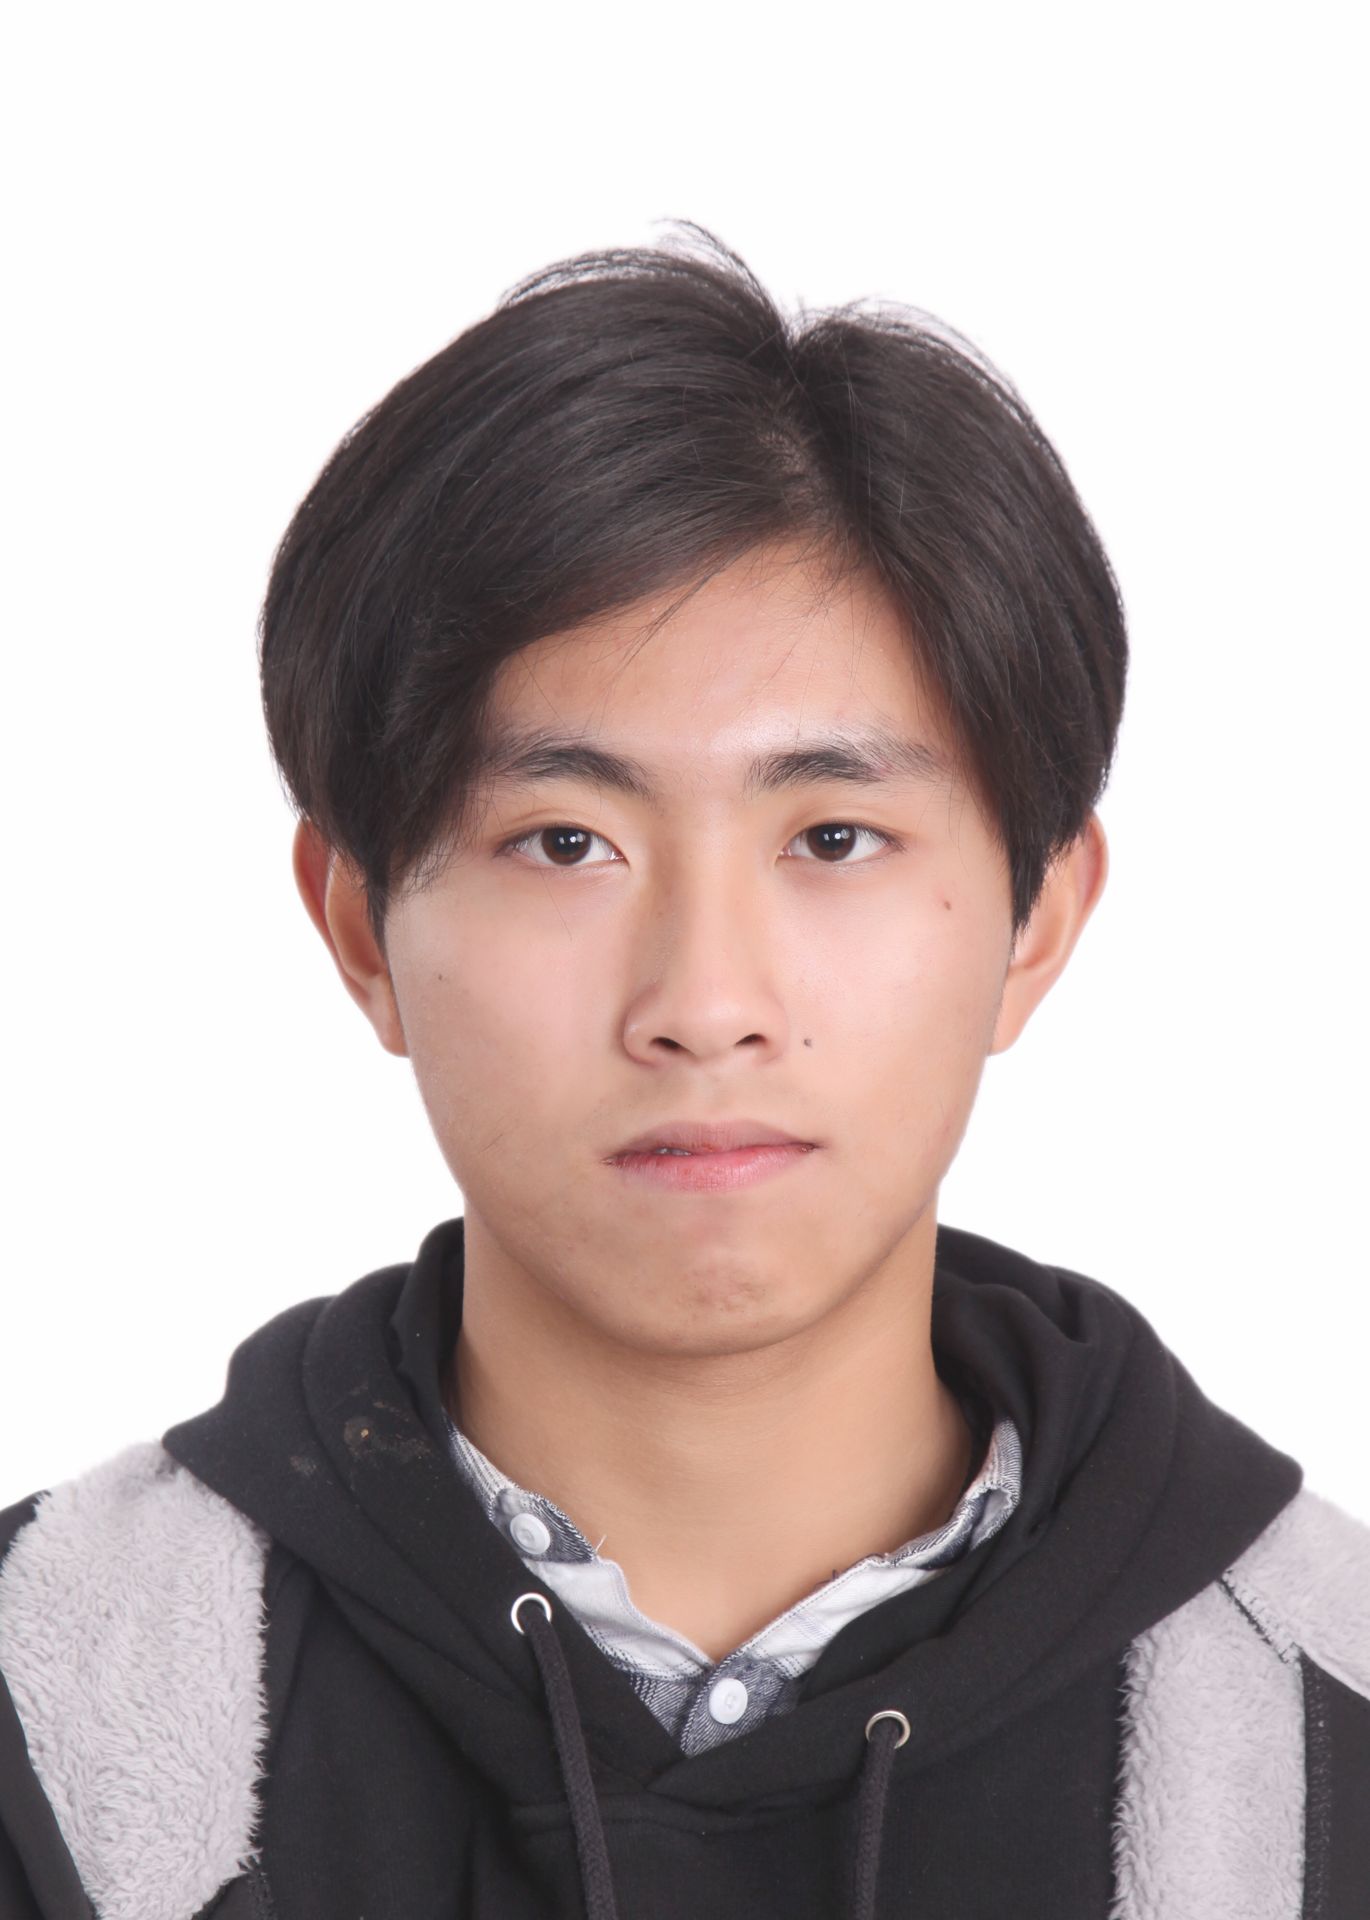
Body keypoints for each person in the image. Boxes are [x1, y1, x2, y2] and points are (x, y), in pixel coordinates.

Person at [1, 223, 1365, 1920]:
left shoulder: (1327, 1722)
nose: (705, 1004)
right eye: (564, 840)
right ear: (359, 927)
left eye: (834, 837)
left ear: (1035, 921)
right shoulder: (48, 1703)